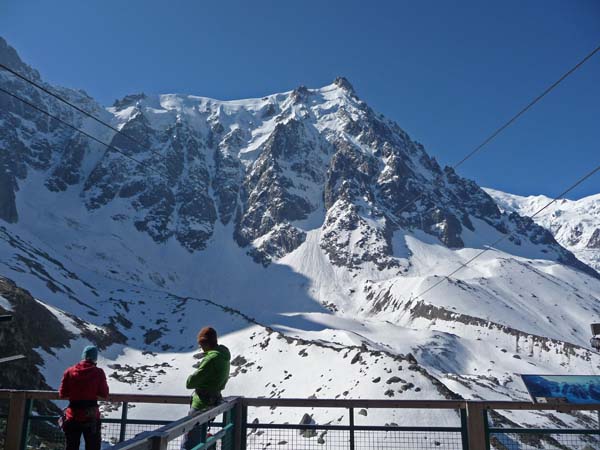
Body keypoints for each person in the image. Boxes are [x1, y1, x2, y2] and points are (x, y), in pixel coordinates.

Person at [181, 327, 231, 450]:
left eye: (201, 344)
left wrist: (193, 377)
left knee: (188, 443)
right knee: (200, 440)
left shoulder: (211, 359)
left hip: (201, 404)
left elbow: (190, 382)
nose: (201, 347)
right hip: (213, 401)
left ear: (205, 342)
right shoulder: (223, 355)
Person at [59, 345, 109, 450]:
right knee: (93, 447)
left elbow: (62, 393)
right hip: (91, 417)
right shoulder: (98, 372)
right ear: (95, 358)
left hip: (72, 415)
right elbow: (104, 393)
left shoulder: (69, 371)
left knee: (71, 446)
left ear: (83, 356)